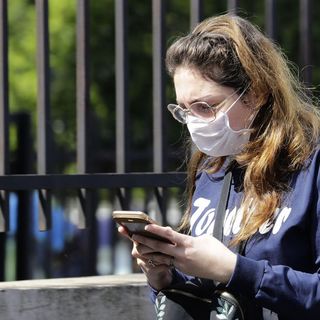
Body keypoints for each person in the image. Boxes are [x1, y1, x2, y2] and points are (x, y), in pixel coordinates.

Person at [118, 14, 320, 319]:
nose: (194, 123)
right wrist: (164, 277)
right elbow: (211, 294)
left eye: (205, 107)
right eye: (184, 110)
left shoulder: (310, 164)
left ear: (256, 95)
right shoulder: (212, 168)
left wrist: (236, 270)